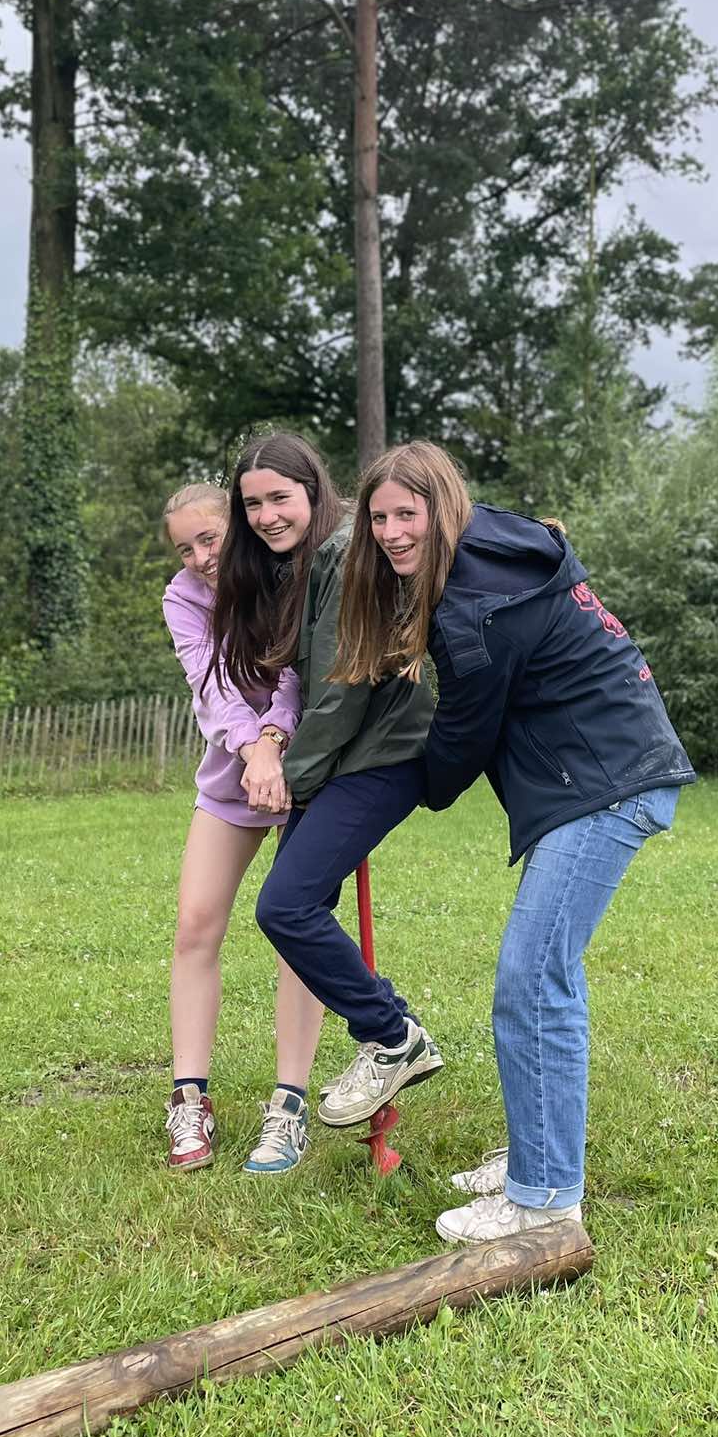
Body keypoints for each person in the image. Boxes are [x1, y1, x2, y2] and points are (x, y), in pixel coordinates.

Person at [333, 441, 696, 1243]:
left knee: (533, 982)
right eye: (379, 518)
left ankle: (544, 1197)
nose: (391, 533)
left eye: (406, 514)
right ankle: (538, 1154)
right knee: (540, 978)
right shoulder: (494, 547)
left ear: (443, 507)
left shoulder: (475, 605)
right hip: (602, 771)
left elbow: (463, 735)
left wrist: (401, 787)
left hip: (605, 783)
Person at [210, 432, 444, 1133]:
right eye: (252, 505)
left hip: (379, 756)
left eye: (279, 498)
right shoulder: (311, 559)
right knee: (295, 907)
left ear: (313, 489)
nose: (266, 516)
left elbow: (343, 686)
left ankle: (393, 1035)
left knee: (285, 907)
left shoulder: (344, 552)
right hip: (341, 757)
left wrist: (293, 777)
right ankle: (383, 1038)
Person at [160, 482, 324, 1176]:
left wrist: (275, 742)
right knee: (195, 924)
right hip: (234, 774)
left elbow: (294, 675)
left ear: (237, 528)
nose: (200, 557)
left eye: (210, 538)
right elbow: (211, 685)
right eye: (185, 547)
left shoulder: (287, 575)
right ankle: (188, 1097)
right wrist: (253, 750)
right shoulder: (182, 599)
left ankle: (288, 1106)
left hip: (310, 768)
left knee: (298, 930)